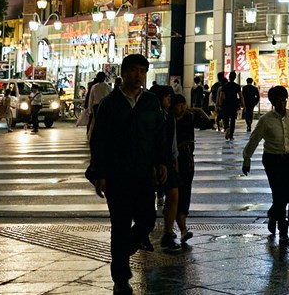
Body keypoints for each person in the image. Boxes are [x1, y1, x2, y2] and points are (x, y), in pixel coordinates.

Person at [89, 54, 170, 295]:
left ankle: (122, 252)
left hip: (144, 173)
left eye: (143, 71)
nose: (138, 76)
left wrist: (162, 162)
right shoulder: (110, 104)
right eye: (134, 70)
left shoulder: (151, 102)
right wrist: (100, 173)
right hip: (117, 175)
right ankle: (121, 277)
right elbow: (99, 141)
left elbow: (160, 135)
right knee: (121, 224)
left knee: (146, 220)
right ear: (123, 73)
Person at [242, 85, 289, 246]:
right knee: (279, 195)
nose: (282, 104)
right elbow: (254, 139)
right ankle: (283, 233)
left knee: (283, 196)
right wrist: (246, 159)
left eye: (284, 100)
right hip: (271, 160)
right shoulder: (266, 120)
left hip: (288, 160)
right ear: (272, 102)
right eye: (278, 101)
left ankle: (272, 214)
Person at [170, 93, 212, 246]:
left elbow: (208, 123)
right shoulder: (167, 119)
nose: (182, 108)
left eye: (184, 104)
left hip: (187, 160)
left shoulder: (189, 117)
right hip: (170, 161)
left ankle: (182, 228)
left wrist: (199, 111)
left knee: (185, 192)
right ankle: (171, 228)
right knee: (173, 193)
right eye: (178, 105)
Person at [149, 85, 180, 251]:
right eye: (167, 97)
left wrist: (174, 158)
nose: (170, 100)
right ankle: (143, 231)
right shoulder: (149, 115)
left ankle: (168, 232)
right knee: (147, 198)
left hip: (167, 159)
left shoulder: (169, 116)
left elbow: (172, 140)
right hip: (150, 161)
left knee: (173, 192)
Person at [218, 71, 242, 140]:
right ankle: (231, 135)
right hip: (234, 104)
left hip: (226, 103)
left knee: (225, 117)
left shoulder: (225, 86)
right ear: (235, 78)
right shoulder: (237, 86)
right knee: (233, 120)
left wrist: (220, 104)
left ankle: (226, 128)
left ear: (229, 77)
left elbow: (221, 96)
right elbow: (241, 96)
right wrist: (243, 104)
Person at [87, 72, 112, 137]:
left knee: (96, 121)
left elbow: (91, 99)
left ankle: (95, 134)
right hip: (106, 106)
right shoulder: (108, 87)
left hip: (96, 106)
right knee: (105, 121)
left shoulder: (94, 87)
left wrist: (89, 109)